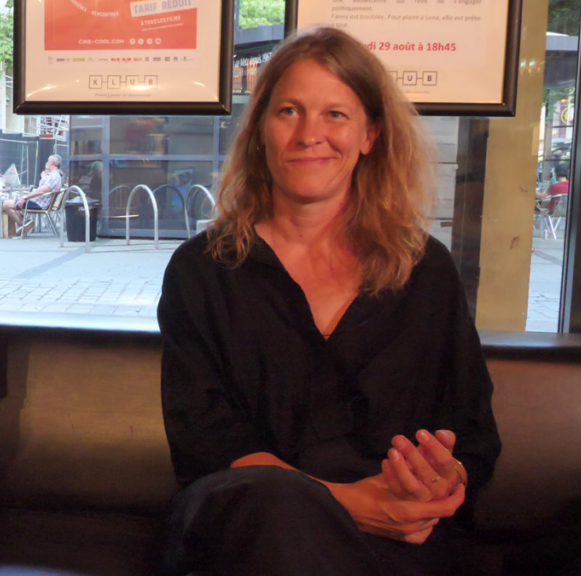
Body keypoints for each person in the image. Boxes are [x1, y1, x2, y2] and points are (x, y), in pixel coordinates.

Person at [157, 27, 502, 575]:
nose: (309, 134)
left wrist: (442, 479)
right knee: (275, 506)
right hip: (245, 529)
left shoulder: (425, 268)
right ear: (261, 131)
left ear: (370, 135)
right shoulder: (201, 270)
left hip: (396, 534)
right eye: (289, 110)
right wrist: (347, 503)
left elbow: (469, 428)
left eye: (336, 115)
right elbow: (206, 440)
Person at [1, 154, 63, 234]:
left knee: (5, 204)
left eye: (48, 161)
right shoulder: (54, 176)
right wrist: (43, 177)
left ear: (51, 162)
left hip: (38, 203)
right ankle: (25, 222)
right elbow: (43, 189)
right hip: (39, 202)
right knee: (11, 203)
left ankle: (23, 224)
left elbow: (41, 191)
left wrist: (25, 198)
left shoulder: (54, 177)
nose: (46, 163)